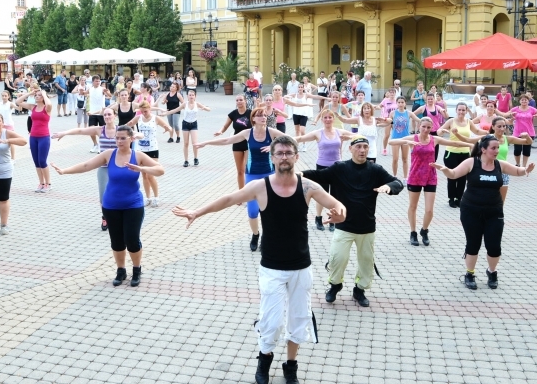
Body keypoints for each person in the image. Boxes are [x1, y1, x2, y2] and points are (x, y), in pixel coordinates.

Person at [173, 136, 346, 384]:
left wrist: (340, 215)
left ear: (297, 157)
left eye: (289, 153)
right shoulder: (261, 187)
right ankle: (264, 360)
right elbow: (229, 199)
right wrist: (197, 212)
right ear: (272, 158)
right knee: (272, 322)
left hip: (301, 267)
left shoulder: (308, 186)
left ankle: (291, 366)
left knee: (298, 320)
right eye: (280, 153)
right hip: (272, 268)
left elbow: (338, 205)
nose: (284, 157)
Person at [52, 125, 164, 287]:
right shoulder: (108, 155)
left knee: (132, 239)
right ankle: (121, 270)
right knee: (117, 241)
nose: (119, 141)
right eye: (117, 138)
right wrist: (64, 171)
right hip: (111, 205)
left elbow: (160, 170)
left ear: (131, 139)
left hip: (133, 205)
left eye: (122, 138)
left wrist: (142, 168)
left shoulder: (138, 156)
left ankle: (136, 269)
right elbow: (86, 166)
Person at [302, 136, 403, 306]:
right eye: (359, 147)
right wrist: (299, 174)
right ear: (350, 149)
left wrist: (389, 187)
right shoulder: (340, 168)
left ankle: (359, 290)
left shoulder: (375, 170)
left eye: (365, 147)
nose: (362, 150)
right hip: (344, 226)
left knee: (366, 263)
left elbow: (397, 182)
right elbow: (318, 175)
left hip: (367, 227)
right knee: (337, 258)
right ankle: (335, 285)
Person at [431, 136, 534, 290]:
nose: (497, 151)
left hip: (494, 212)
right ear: (483, 149)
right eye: (493, 148)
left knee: (494, 246)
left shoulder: (499, 165)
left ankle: (492, 272)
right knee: (473, 244)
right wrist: (445, 170)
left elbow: (518, 171)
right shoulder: (471, 162)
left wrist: (526, 170)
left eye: (498, 148)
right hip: (471, 210)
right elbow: (453, 174)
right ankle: (470, 274)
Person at [195, 107, 288, 251]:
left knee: (269, 210)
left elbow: (291, 140)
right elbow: (227, 140)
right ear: (253, 119)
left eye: (264, 115)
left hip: (269, 174)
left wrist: (273, 146)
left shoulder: (271, 132)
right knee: (252, 211)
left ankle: (266, 236)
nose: (263, 117)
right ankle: (255, 234)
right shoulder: (247, 133)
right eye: (260, 116)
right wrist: (207, 143)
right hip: (251, 175)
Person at [389, 117, 471, 245]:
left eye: (428, 127)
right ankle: (413, 232)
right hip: (415, 176)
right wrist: (406, 141)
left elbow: (454, 144)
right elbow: (391, 142)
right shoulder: (413, 139)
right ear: (419, 127)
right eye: (424, 127)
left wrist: (473, 145)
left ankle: (424, 230)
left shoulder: (434, 140)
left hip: (430, 177)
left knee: (429, 210)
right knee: (413, 206)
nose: (426, 129)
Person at [53, 107, 125, 231]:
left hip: (119, 168)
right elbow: (81, 130)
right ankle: (105, 217)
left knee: (120, 193)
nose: (107, 117)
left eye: (109, 114)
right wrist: (64, 133)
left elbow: (134, 134)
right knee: (103, 197)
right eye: (105, 115)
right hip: (103, 168)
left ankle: (120, 216)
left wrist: (138, 136)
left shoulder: (121, 130)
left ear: (114, 116)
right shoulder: (99, 130)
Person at [296, 109, 356, 231]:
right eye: (325, 117)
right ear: (322, 119)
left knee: (335, 195)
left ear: (334, 119)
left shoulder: (339, 132)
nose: (328, 119)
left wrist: (349, 137)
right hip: (322, 167)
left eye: (330, 117)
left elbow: (357, 136)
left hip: (337, 167)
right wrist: (281, 139)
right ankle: (318, 218)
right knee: (321, 194)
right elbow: (300, 139)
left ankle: (333, 219)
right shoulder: (318, 133)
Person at [125, 101, 174, 207]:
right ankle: (148, 198)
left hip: (152, 149)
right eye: (142, 111)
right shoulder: (138, 118)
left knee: (150, 175)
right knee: (144, 175)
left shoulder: (155, 118)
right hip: (141, 149)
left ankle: (156, 197)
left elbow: (168, 127)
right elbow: (128, 125)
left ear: (150, 109)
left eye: (146, 111)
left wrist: (168, 129)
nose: (144, 113)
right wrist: (120, 129)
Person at [16, 85, 53, 193]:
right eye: (36, 95)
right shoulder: (33, 107)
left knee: (42, 161)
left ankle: (48, 183)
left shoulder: (47, 108)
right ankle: (41, 183)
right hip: (33, 137)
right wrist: (30, 93)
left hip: (44, 137)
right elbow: (18, 101)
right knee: (36, 162)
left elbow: (49, 103)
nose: (37, 97)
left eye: (39, 95)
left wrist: (44, 93)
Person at [159, 89, 211, 167]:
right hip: (185, 124)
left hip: (194, 124)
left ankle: (196, 158)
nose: (191, 96)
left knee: (195, 143)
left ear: (195, 96)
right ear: (187, 96)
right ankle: (186, 160)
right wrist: (165, 113)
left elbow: (208, 109)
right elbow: (175, 110)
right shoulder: (184, 104)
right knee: (186, 143)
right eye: (190, 95)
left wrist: (205, 108)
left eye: (192, 95)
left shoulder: (197, 104)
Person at [214, 94, 253, 194]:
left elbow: (257, 125)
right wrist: (220, 131)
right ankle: (241, 194)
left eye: (241, 100)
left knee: (248, 169)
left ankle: (250, 192)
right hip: (237, 143)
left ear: (245, 101)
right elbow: (225, 126)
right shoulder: (233, 114)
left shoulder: (251, 113)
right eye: (237, 100)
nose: (239, 102)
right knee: (240, 171)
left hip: (249, 143)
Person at [508, 94, 537, 168]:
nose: (524, 101)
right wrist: (511, 114)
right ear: (519, 101)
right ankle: (517, 164)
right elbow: (506, 114)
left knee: (526, 150)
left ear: (528, 101)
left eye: (526, 100)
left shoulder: (532, 109)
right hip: (517, 133)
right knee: (517, 150)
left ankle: (524, 166)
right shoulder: (515, 109)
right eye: (522, 100)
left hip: (529, 132)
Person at [412, 92, 448, 161]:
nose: (430, 100)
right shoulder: (423, 108)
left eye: (431, 99)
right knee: (424, 148)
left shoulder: (437, 107)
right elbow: (412, 114)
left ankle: (432, 165)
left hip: (435, 132)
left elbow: (446, 116)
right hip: (425, 132)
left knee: (435, 150)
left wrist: (444, 111)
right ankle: (424, 163)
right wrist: (420, 121)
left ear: (434, 100)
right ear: (426, 100)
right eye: (428, 99)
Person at [86, 76, 111, 153]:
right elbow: (84, 94)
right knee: (91, 130)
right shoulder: (90, 89)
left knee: (102, 130)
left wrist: (107, 92)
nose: (98, 82)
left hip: (101, 112)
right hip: (92, 112)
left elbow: (110, 96)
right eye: (96, 81)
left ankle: (101, 146)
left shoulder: (102, 89)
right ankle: (95, 144)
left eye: (99, 81)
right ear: (93, 82)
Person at [379, 88, 398, 156]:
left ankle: (395, 149)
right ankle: (384, 149)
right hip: (387, 119)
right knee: (387, 135)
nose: (392, 94)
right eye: (391, 92)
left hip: (395, 119)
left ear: (395, 93)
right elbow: (379, 106)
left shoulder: (397, 101)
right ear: (388, 93)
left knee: (395, 134)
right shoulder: (385, 100)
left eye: (393, 92)